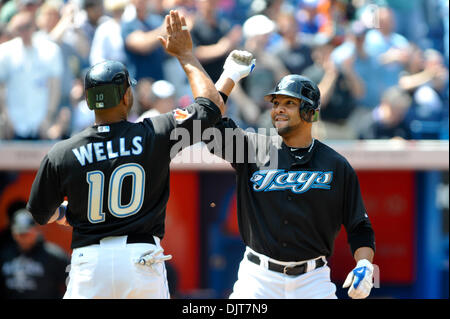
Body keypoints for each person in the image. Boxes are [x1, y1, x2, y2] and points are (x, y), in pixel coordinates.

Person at [25, 10, 254, 299]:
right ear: (126, 97)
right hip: (140, 258)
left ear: (89, 101)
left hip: (89, 263)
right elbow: (209, 108)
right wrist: (185, 55)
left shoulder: (62, 152)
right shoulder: (154, 132)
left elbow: (38, 212)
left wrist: (67, 214)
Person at [208, 74, 376, 299]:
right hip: (258, 278)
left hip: (313, 281)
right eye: (276, 103)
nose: (278, 109)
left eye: (289, 103)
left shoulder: (336, 166)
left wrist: (364, 264)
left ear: (311, 113)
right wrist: (230, 76)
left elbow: (360, 228)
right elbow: (205, 122)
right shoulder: (252, 147)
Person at [0, 10, 63, 140]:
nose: (24, 32)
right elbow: (1, 86)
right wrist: (5, 116)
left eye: (27, 27)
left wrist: (48, 117)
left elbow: (55, 86)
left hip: (41, 123)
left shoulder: (50, 50)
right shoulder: (6, 51)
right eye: (19, 28)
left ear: (34, 26)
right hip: (15, 122)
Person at [0, 208, 69, 299]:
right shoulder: (5, 255)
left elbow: (75, 281)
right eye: (19, 233)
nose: (23, 237)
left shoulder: (54, 255)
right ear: (13, 233)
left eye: (26, 233)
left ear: (36, 230)